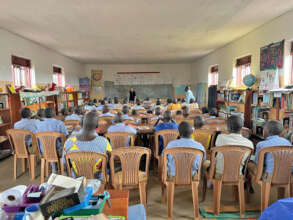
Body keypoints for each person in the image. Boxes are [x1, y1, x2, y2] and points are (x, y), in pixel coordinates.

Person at [62, 111, 112, 178]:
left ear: (82, 124)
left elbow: (65, 164)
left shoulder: (69, 142)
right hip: (97, 179)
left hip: (77, 179)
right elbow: (110, 162)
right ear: (97, 126)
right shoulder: (104, 142)